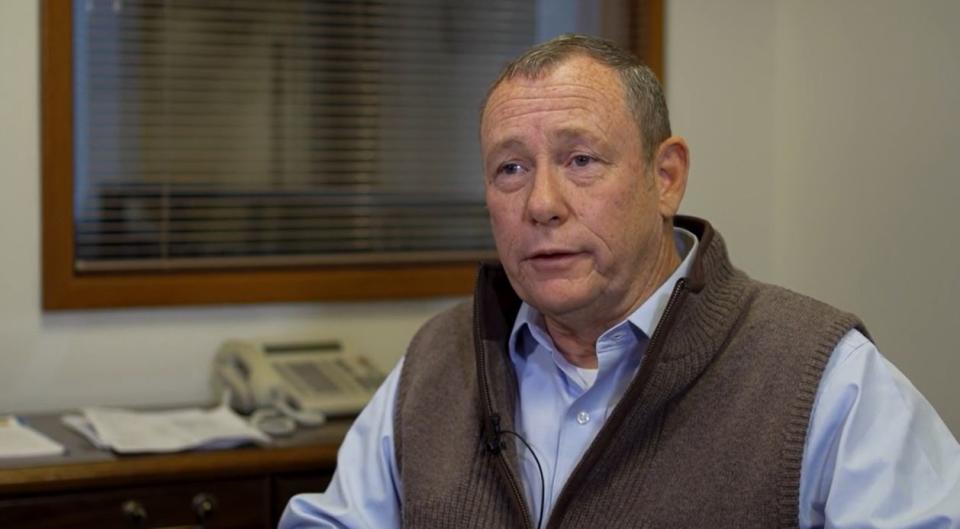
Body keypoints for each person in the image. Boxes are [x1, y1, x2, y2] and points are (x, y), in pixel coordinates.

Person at [280, 34, 960, 529]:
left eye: (580, 159)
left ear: (665, 178)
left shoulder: (821, 375)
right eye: (509, 169)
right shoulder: (437, 359)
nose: (540, 203)